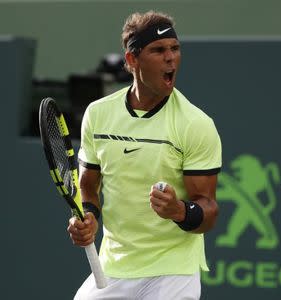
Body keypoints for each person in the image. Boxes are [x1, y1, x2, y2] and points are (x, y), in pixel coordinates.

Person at [67, 10, 222, 300]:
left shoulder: (195, 124)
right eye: (158, 50)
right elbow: (89, 186)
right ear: (131, 60)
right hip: (114, 267)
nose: (170, 58)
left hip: (173, 271)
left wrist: (178, 210)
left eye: (175, 49)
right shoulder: (98, 114)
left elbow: (209, 210)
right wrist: (88, 217)